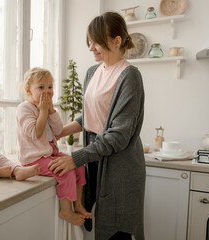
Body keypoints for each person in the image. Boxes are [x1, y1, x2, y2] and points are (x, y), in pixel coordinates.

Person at [48, 11, 146, 240]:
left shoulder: (129, 76)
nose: (91, 47)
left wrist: (75, 158)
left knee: (117, 231)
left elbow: (119, 134)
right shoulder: (93, 72)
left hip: (120, 166)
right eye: (89, 42)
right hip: (94, 158)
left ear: (117, 41)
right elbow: (91, 117)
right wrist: (62, 131)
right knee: (95, 223)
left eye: (96, 42)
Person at [16, 67, 92, 226]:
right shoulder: (25, 108)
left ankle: (77, 204)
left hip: (50, 153)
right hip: (34, 158)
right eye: (41, 87)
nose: (47, 91)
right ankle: (65, 211)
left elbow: (58, 130)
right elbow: (35, 133)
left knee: (78, 164)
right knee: (64, 171)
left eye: (50, 87)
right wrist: (43, 111)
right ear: (29, 90)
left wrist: (51, 111)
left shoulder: (47, 108)